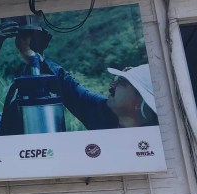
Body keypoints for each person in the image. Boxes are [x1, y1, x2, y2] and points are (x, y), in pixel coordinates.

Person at [12, 28, 158, 129]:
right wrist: (32, 56)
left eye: (122, 82)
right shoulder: (105, 113)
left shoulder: (157, 140)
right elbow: (69, 88)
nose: (112, 85)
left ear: (139, 103)